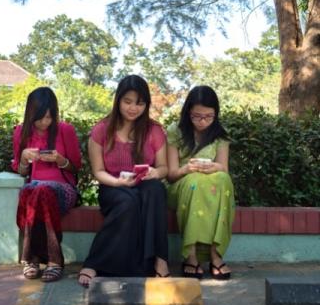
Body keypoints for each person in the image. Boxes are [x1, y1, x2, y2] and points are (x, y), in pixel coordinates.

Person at [78, 74, 169, 287]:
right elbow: (98, 171)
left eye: (139, 103)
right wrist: (118, 182)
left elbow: (164, 167)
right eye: (127, 101)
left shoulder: (154, 130)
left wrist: (155, 173)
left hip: (144, 184)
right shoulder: (102, 129)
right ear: (118, 100)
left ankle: (160, 260)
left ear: (146, 104)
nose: (132, 108)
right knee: (127, 202)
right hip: (113, 186)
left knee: (155, 190)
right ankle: (95, 262)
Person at [12, 86, 82, 282]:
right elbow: (21, 171)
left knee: (39, 189)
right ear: (30, 114)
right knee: (30, 190)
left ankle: (45, 260)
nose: (45, 122)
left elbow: (76, 167)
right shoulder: (21, 132)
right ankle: (37, 260)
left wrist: (60, 160)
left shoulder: (65, 130)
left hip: (63, 190)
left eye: (49, 117)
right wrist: (24, 159)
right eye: (40, 117)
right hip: (35, 190)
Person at [167, 85, 235, 280]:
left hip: (212, 185)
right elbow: (171, 175)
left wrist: (215, 167)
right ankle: (191, 255)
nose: (202, 121)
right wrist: (187, 169)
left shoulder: (220, 134)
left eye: (208, 116)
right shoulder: (175, 131)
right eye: (197, 116)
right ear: (188, 112)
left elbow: (224, 168)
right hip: (182, 184)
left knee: (222, 179)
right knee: (196, 182)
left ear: (216, 114)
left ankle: (216, 253)